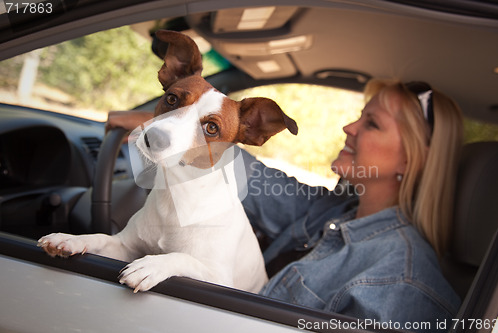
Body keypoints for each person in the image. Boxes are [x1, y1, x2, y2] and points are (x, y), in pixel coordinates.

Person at [106, 78, 463, 332]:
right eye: (359, 114)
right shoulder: (332, 210)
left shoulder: (403, 283)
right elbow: (239, 164)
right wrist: (164, 126)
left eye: (372, 123)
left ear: (411, 160)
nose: (349, 127)